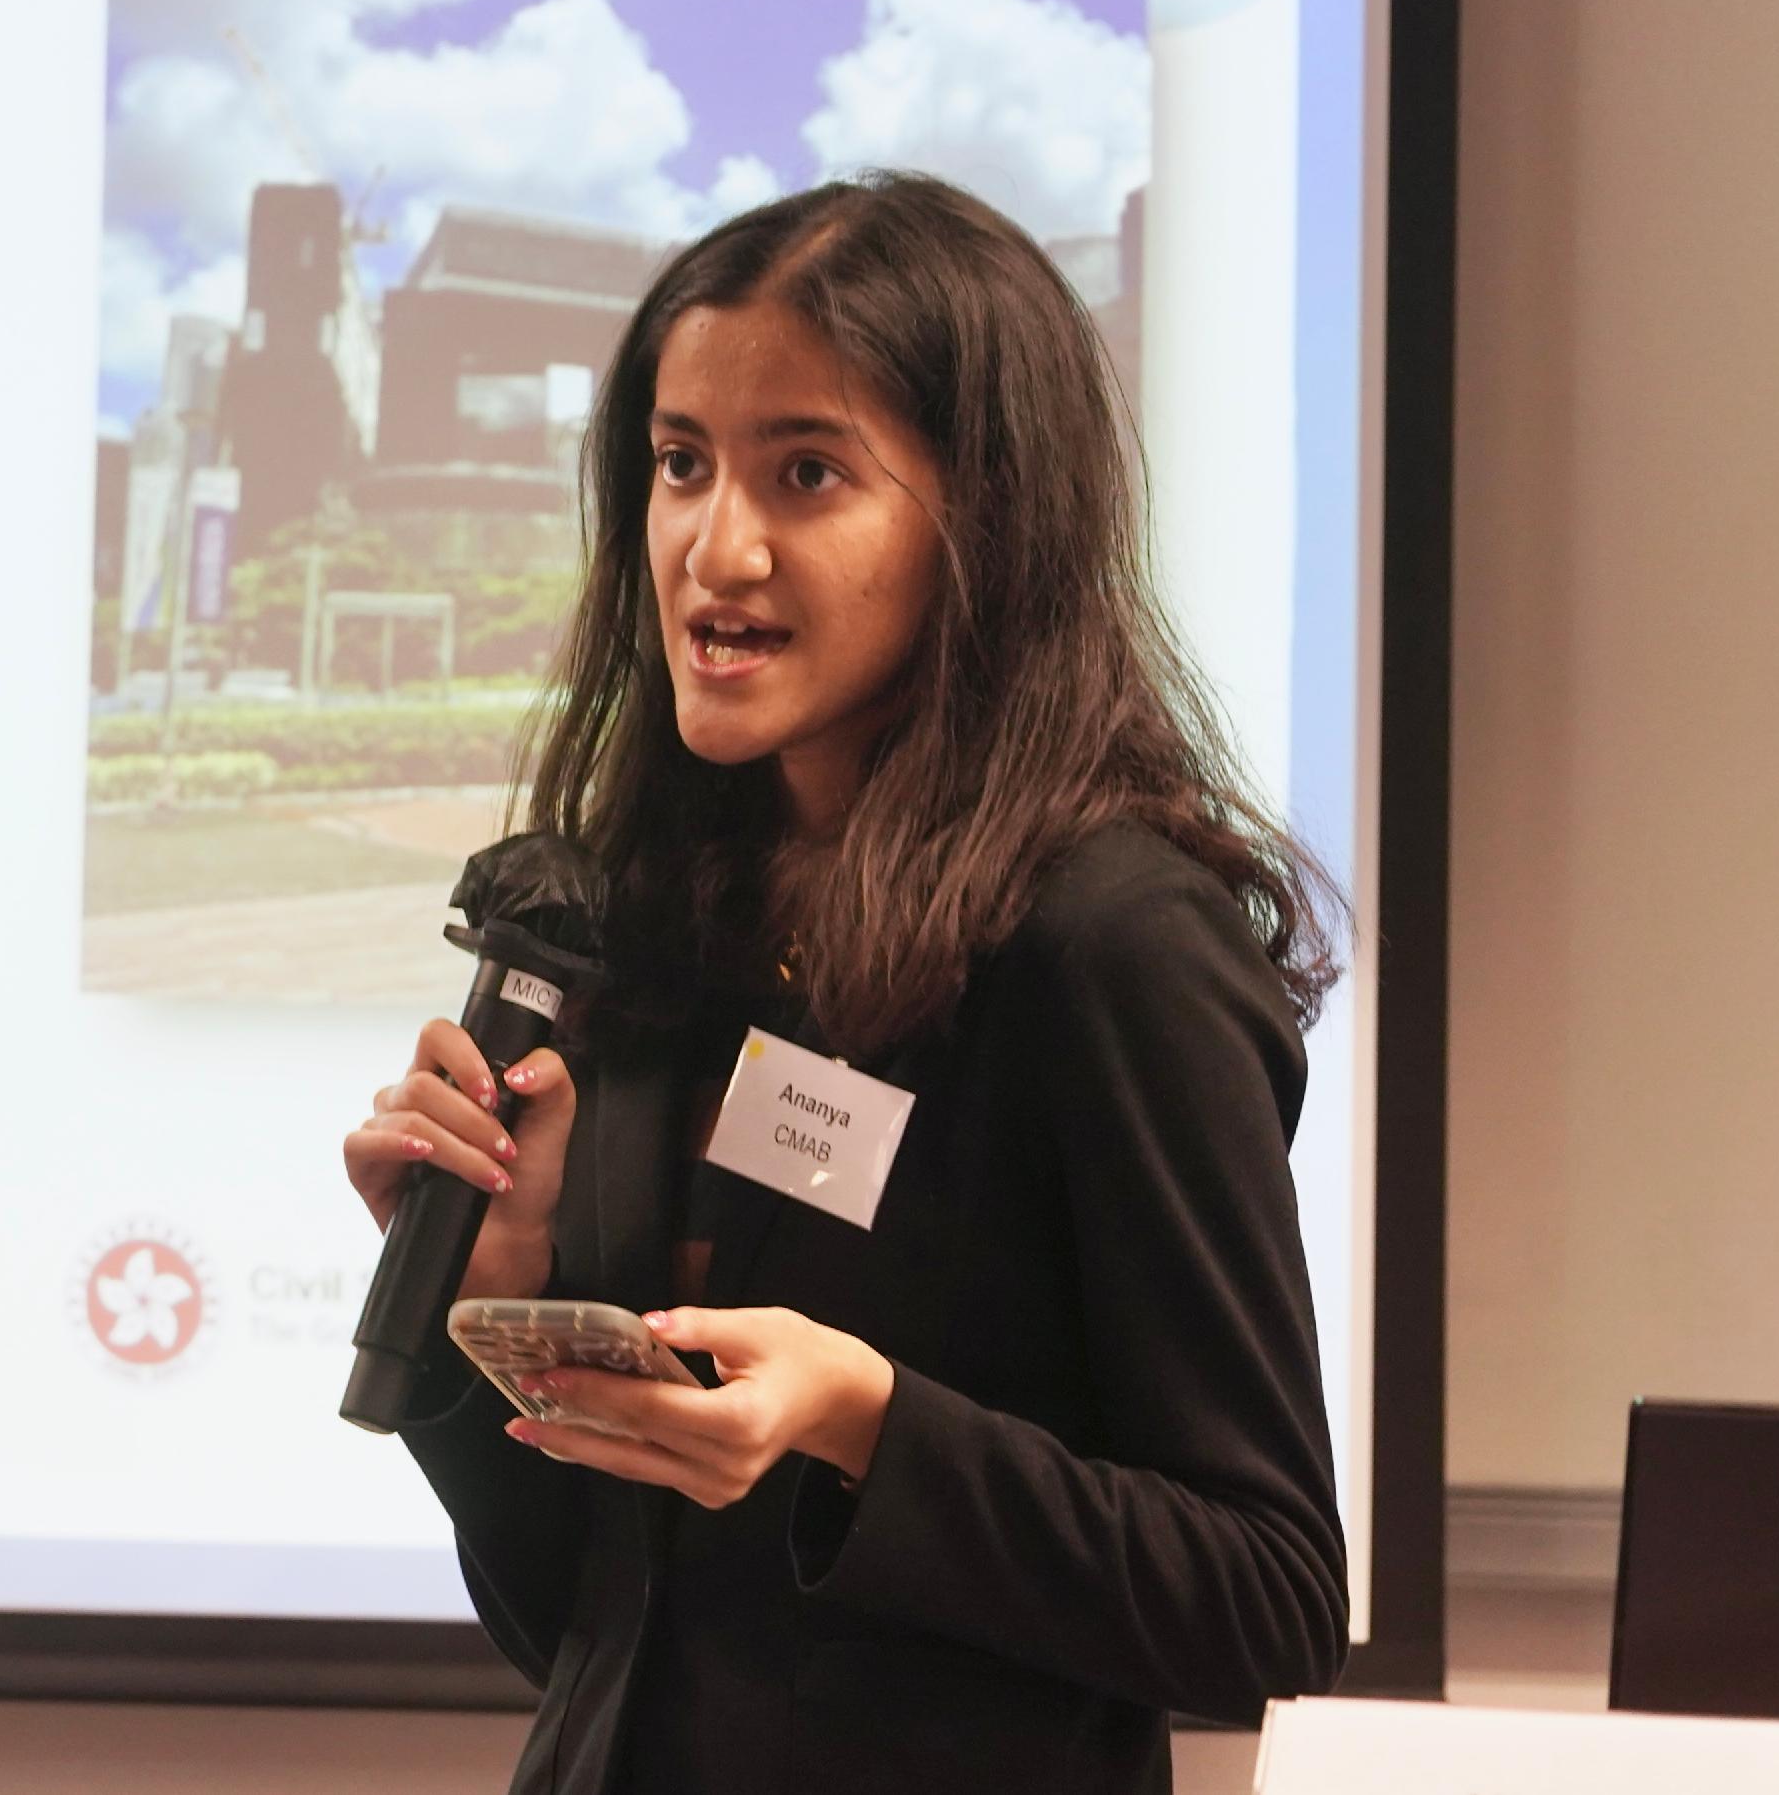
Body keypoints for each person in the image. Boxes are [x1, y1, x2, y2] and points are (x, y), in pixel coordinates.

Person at [341, 173, 1347, 1794]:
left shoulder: (1113, 947)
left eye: (805, 472)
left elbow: (1271, 1600)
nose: (713, 547)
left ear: (985, 516)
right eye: (680, 465)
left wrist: (869, 1419)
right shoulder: (654, 934)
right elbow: (600, 1635)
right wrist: (496, 1283)